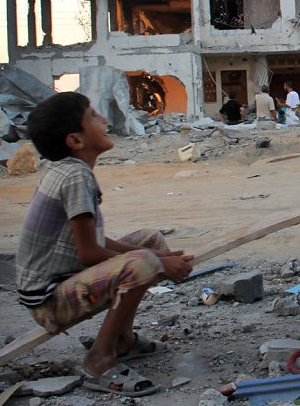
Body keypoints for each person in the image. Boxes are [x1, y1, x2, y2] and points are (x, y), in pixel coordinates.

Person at [17, 92, 193, 397]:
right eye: (95, 116)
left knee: (149, 241)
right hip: (50, 301)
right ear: (76, 140)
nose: (105, 120)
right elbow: (89, 254)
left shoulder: (69, 170)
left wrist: (155, 253)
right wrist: (159, 263)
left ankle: (123, 340)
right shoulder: (75, 177)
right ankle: (99, 359)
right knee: (144, 262)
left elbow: (92, 242)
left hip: (63, 282)